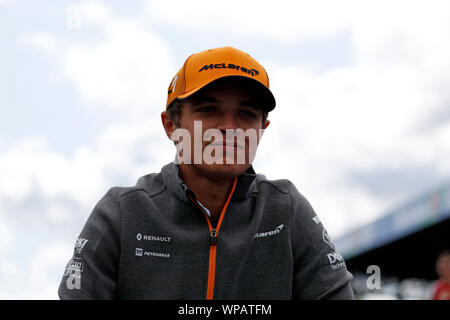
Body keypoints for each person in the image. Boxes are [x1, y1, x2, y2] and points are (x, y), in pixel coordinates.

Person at [58, 46, 354, 300]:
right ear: (170, 125)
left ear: (262, 129)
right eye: (208, 109)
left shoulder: (286, 210)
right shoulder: (121, 213)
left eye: (246, 114)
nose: (229, 126)